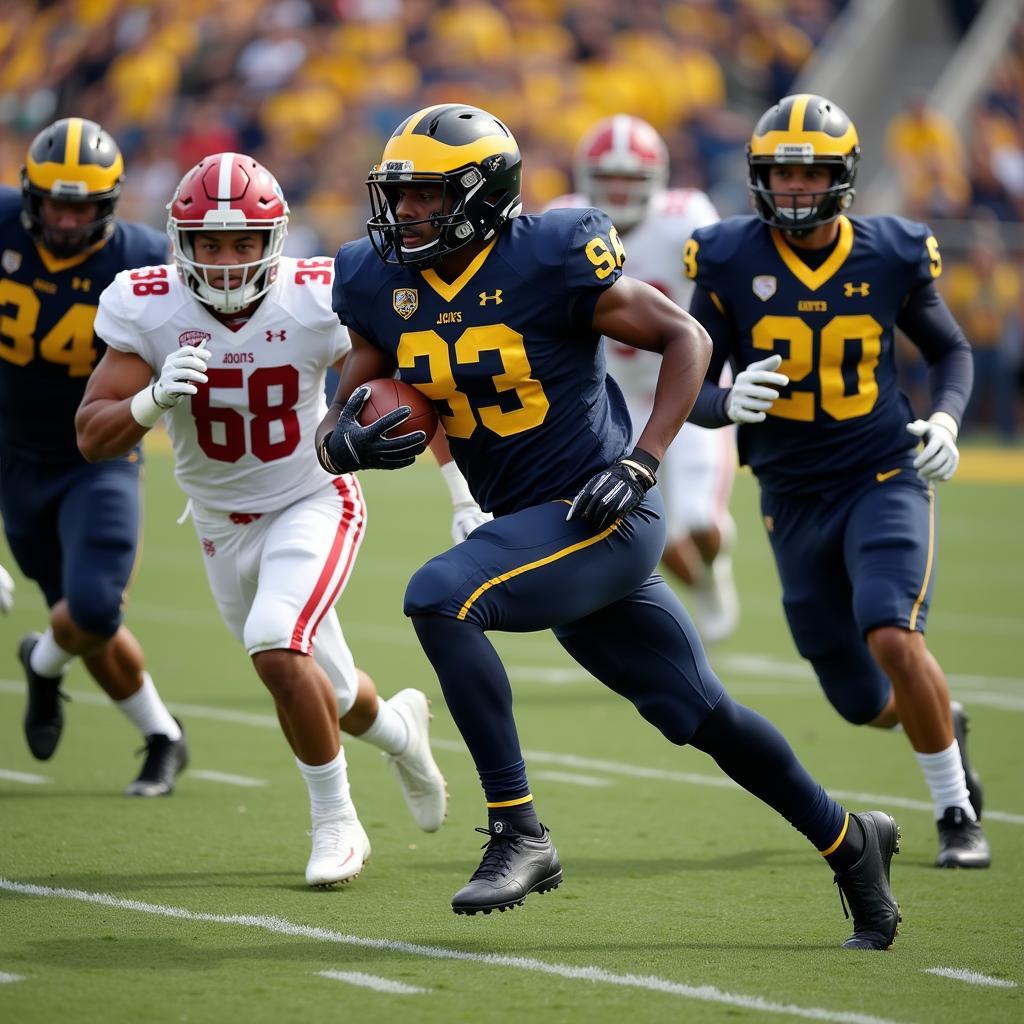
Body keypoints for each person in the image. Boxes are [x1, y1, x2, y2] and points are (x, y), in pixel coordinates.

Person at [316, 102, 903, 949]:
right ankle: (854, 843)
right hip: (539, 529)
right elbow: (353, 387)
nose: (405, 213)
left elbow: (685, 337)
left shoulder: (552, 256)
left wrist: (644, 460)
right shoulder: (379, 278)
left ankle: (520, 830)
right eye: (399, 195)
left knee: (441, 596)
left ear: (484, 196)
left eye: (427, 196)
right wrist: (342, 442)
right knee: (698, 713)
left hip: (602, 511)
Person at [76, 152, 460, 886]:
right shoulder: (147, 304)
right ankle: (402, 731)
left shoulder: (318, 296)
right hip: (220, 523)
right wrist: (152, 399)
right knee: (336, 694)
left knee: (276, 644)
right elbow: (92, 436)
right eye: (210, 242)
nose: (225, 260)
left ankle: (336, 824)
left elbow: (409, 388)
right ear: (179, 241)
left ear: (273, 239)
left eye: (243, 242)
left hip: (313, 498)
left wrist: (463, 496)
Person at [685, 94, 988, 869]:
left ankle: (956, 809)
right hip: (789, 493)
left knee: (892, 628)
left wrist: (947, 418)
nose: (791, 191)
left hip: (881, 470)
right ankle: (939, 714)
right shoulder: (724, 257)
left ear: (842, 177)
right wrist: (725, 402)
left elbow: (950, 353)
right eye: (778, 177)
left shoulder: (890, 252)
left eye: (808, 175)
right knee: (858, 701)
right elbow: (683, 380)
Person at [0, 117, 187, 796]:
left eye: (83, 205)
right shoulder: (4, 228)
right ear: (30, 195)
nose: (67, 218)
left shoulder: (140, 257)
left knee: (95, 608)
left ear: (108, 205)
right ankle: (164, 735)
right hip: (10, 449)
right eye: (55, 202)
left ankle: (44, 663)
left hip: (97, 451)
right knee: (82, 614)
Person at [547, 113, 739, 642]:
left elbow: (726, 292)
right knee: (640, 523)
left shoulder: (686, 218)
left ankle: (715, 569)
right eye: (608, 177)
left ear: (656, 181)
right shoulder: (564, 222)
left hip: (686, 384)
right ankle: (696, 588)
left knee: (700, 522)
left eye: (630, 179)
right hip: (612, 396)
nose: (617, 189)